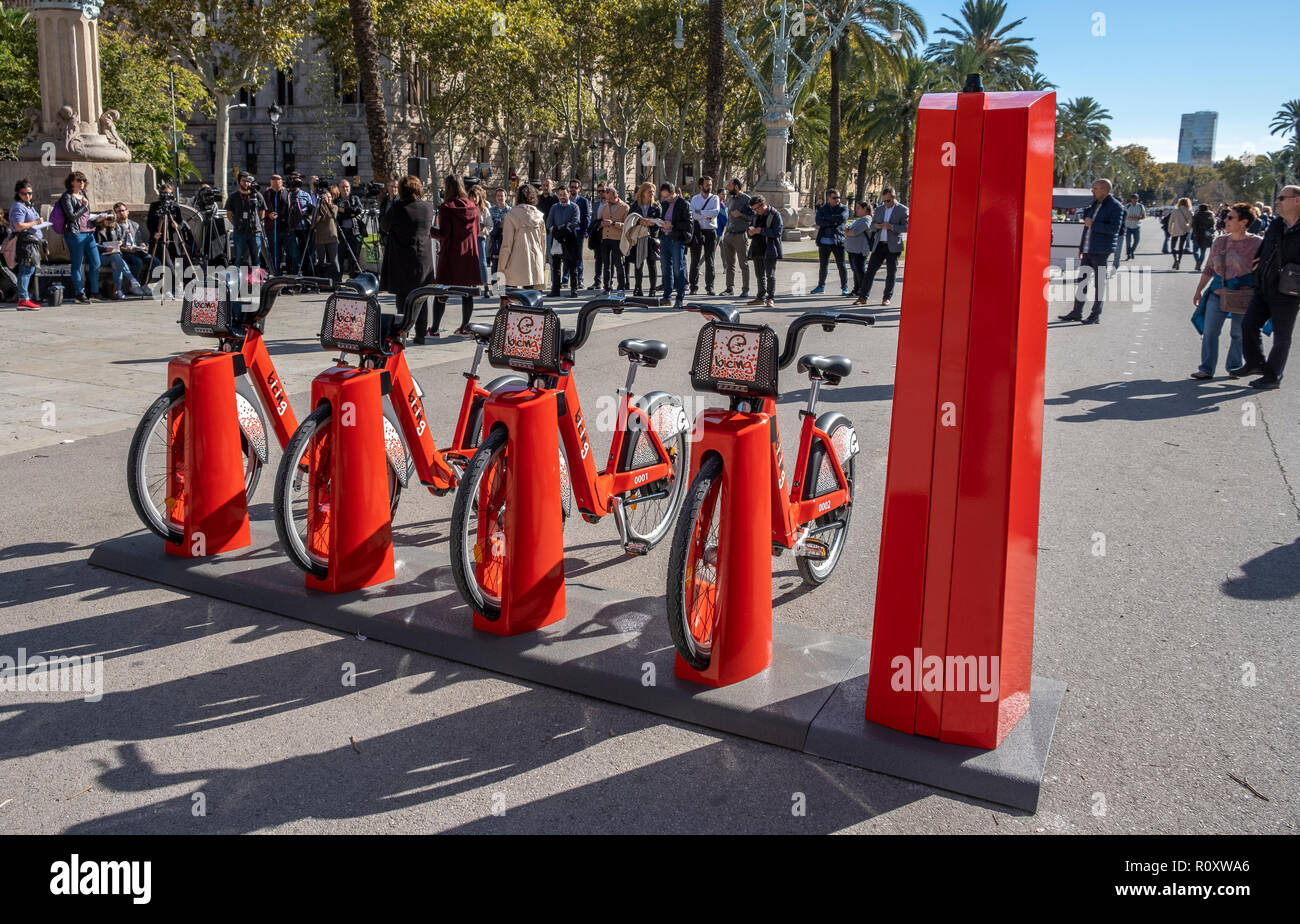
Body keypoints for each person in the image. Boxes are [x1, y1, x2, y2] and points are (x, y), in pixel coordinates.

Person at [1236, 185, 1300, 390]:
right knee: (1248, 324)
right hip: (1264, 285)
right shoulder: (1276, 223)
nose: (1277, 202)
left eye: (1282, 198)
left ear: (1297, 200)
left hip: (1289, 291)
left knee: (1282, 336)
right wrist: (1258, 265)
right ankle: (1255, 364)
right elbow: (1265, 248)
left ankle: (1273, 376)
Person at [1191, 203, 1262, 380]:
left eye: (1230, 217)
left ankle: (1235, 366)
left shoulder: (1257, 243)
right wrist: (1199, 290)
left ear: (1244, 222)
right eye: (1226, 217)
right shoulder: (1220, 241)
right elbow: (1209, 268)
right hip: (1217, 293)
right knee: (1210, 332)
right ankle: (1206, 368)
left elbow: (1262, 271)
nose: (1225, 220)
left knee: (1238, 333)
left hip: (1243, 297)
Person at [379, 175, 436, 344]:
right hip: (423, 258)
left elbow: (384, 226)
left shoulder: (398, 207)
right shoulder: (428, 207)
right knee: (422, 298)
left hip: (402, 258)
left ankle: (402, 334)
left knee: (403, 298)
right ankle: (420, 334)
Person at [1057, 178, 1123, 324]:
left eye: (1095, 188)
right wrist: (1081, 247)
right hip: (1088, 249)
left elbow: (1114, 230)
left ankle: (1095, 315)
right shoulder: (1095, 204)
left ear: (1105, 190)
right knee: (1082, 282)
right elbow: (1087, 228)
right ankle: (1076, 312)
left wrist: (1094, 224)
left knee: (1099, 284)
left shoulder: (1115, 207)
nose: (1092, 190)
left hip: (1101, 251)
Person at [429, 174, 481, 337]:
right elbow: (477, 230)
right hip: (469, 255)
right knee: (467, 292)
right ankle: (465, 327)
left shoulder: (446, 208)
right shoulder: (473, 206)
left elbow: (443, 233)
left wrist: (429, 230)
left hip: (451, 254)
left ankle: (435, 328)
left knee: (442, 292)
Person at [59, 171, 106, 303]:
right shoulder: (66, 196)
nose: (82, 183)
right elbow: (72, 216)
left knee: (96, 262)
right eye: (79, 180)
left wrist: (97, 219)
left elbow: (86, 216)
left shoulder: (83, 194)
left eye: (84, 180)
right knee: (77, 264)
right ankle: (79, 294)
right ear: (71, 182)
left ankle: (94, 292)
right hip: (75, 234)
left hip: (89, 232)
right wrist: (84, 206)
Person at [860, 186, 909, 307]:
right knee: (870, 271)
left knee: (891, 273)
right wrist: (877, 226)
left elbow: (907, 227)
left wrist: (891, 226)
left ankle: (887, 297)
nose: (886, 203)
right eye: (884, 201)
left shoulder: (903, 210)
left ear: (894, 197)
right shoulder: (880, 209)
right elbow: (871, 225)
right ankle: (863, 296)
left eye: (888, 201)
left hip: (893, 247)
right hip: (879, 245)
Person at [497, 183, 546, 296]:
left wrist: (501, 267)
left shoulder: (511, 215)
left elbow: (507, 245)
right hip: (535, 261)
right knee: (533, 300)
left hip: (515, 262)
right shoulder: (539, 216)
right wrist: (542, 264)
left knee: (512, 299)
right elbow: (543, 244)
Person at [94, 207, 147, 298]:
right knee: (116, 257)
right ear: (103, 219)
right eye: (108, 220)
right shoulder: (97, 229)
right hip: (102, 256)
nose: (110, 223)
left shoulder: (114, 228)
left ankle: (118, 290)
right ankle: (132, 279)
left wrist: (119, 242)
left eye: (112, 221)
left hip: (113, 255)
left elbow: (119, 239)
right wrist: (104, 249)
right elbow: (94, 244)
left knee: (116, 263)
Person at [7, 180, 44, 310]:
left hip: (32, 241)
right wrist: (35, 222)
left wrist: (39, 222)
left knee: (30, 269)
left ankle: (24, 297)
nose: (27, 196)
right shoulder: (18, 206)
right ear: (18, 193)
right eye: (24, 194)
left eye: (29, 193)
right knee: (26, 270)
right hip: (25, 242)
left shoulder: (28, 205)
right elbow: (18, 226)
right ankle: (23, 299)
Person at [657, 182, 692, 308]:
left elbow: (689, 224)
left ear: (673, 193)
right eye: (664, 197)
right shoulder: (664, 204)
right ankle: (667, 296)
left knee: (678, 268)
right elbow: (661, 217)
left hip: (676, 239)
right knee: (666, 269)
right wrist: (658, 223)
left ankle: (680, 298)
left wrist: (672, 225)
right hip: (665, 239)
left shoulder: (684, 204)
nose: (666, 199)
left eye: (667, 196)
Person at [225, 172, 266, 279]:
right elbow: (229, 214)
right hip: (240, 232)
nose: (246, 183)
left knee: (256, 259)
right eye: (243, 180)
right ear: (239, 181)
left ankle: (255, 283)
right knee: (239, 258)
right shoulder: (233, 196)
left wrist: (256, 222)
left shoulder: (257, 195)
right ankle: (238, 282)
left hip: (255, 232)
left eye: (248, 181)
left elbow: (262, 212)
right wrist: (237, 223)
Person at [745, 195, 783, 307]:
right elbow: (750, 228)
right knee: (759, 275)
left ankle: (770, 298)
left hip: (770, 249)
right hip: (757, 248)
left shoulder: (775, 214)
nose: (756, 211)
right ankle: (760, 297)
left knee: (770, 275)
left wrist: (761, 231)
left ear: (763, 204)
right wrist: (750, 232)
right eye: (754, 209)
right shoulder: (756, 215)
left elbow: (777, 233)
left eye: (757, 208)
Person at [810, 188, 850, 295]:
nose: (837, 200)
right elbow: (818, 221)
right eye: (834, 198)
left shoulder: (844, 208)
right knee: (823, 265)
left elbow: (842, 218)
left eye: (838, 197)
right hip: (824, 242)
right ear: (828, 198)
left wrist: (826, 219)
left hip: (838, 241)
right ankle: (821, 286)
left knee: (841, 265)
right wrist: (834, 221)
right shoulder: (822, 208)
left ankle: (844, 288)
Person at [546, 184, 581, 299]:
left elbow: (573, 223)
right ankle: (555, 290)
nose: (562, 196)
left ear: (568, 194)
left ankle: (573, 290)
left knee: (572, 267)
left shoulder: (574, 207)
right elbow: (549, 224)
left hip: (570, 240)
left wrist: (558, 230)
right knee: (555, 267)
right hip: (556, 241)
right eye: (560, 194)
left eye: (564, 194)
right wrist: (558, 231)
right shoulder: (554, 207)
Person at [626, 181, 660, 297]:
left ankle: (652, 289)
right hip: (639, 238)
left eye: (653, 191)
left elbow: (660, 221)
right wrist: (640, 221)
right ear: (643, 192)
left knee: (652, 264)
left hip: (651, 238)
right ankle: (638, 288)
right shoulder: (635, 205)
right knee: (638, 264)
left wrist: (652, 223)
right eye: (649, 191)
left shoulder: (656, 206)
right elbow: (630, 219)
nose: (652, 193)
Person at [688, 175, 720, 295]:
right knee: (695, 260)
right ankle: (693, 286)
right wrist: (707, 214)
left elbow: (715, 212)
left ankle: (710, 287)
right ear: (701, 186)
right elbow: (693, 215)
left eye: (711, 185)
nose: (709, 187)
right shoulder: (695, 199)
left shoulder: (715, 198)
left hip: (710, 231)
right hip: (697, 231)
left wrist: (700, 212)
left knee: (709, 259)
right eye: (707, 185)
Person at [720, 177, 752, 297]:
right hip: (728, 235)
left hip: (740, 235)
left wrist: (741, 215)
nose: (727, 187)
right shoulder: (730, 199)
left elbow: (752, 216)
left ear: (736, 186)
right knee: (729, 264)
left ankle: (745, 289)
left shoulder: (746, 199)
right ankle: (729, 289)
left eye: (729, 185)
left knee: (743, 264)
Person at [593, 185, 629, 292]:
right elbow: (597, 222)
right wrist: (601, 224)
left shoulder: (625, 207)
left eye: (610, 199)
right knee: (606, 264)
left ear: (616, 196)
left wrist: (613, 223)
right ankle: (607, 286)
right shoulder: (604, 207)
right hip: (605, 239)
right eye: (607, 199)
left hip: (617, 239)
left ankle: (621, 287)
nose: (608, 201)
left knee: (618, 263)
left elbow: (627, 226)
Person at [261, 175, 292, 274]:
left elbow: (290, 209)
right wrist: (268, 215)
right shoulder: (267, 194)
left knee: (292, 254)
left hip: (286, 229)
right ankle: (276, 275)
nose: (276, 182)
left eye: (278, 179)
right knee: (275, 255)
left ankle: (291, 276)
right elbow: (261, 210)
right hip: (272, 230)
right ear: (270, 182)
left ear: (281, 181)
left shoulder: (287, 192)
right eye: (274, 180)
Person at [844, 199, 873, 306]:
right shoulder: (859, 219)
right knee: (855, 270)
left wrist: (847, 231)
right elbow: (848, 229)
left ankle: (863, 291)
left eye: (858, 208)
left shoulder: (867, 219)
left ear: (865, 209)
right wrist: (847, 230)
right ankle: (856, 290)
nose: (856, 210)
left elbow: (852, 232)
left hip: (860, 250)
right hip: (853, 250)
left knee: (860, 271)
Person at [311, 185, 340, 284]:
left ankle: (337, 281)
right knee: (321, 262)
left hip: (332, 238)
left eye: (330, 197)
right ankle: (321, 281)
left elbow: (331, 215)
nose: (328, 199)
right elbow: (312, 225)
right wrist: (317, 218)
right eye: (326, 197)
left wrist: (327, 204)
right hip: (320, 238)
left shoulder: (334, 207)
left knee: (334, 260)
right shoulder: (317, 208)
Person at [565, 179, 590, 291]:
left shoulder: (583, 201)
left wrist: (585, 231)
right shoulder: (566, 200)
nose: (573, 189)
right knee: (566, 257)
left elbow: (587, 218)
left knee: (578, 258)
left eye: (575, 187)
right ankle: (565, 280)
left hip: (579, 233)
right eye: (572, 187)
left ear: (579, 189)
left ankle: (579, 280)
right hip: (567, 233)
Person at [335, 179, 364, 275]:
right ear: (339, 188)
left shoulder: (355, 198)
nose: (345, 189)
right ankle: (338, 278)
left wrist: (343, 210)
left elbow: (358, 210)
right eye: (343, 187)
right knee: (340, 256)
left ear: (350, 188)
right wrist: (350, 213)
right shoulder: (336, 201)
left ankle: (354, 278)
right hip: (341, 232)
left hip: (354, 232)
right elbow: (337, 216)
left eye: (347, 187)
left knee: (354, 256)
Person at [471, 183, 493, 297]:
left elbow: (490, 225)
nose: (474, 199)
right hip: (469, 239)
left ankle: (486, 286)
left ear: (479, 197)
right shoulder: (467, 209)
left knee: (483, 263)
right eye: (472, 197)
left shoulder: (484, 210)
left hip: (480, 238)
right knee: (471, 261)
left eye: (476, 196)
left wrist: (483, 231)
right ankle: (472, 284)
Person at [585, 182, 607, 289]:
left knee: (608, 260)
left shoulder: (611, 204)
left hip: (608, 234)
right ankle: (597, 281)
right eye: (599, 191)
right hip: (597, 234)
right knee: (598, 258)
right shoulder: (596, 204)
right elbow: (593, 218)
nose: (601, 193)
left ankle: (609, 282)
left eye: (603, 191)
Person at [488, 186, 510, 278]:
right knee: (495, 264)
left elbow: (509, 225)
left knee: (506, 264)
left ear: (506, 197)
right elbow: (490, 225)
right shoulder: (491, 210)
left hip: (506, 240)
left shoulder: (510, 210)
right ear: (496, 197)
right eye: (498, 196)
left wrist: (497, 223)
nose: (500, 198)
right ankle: (495, 286)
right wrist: (500, 224)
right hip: (495, 241)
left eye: (502, 196)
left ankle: (505, 287)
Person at [1167, 197, 1193, 270]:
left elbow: (1170, 221)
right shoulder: (1189, 211)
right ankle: (1179, 261)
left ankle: (1175, 259)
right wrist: (1188, 230)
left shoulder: (1175, 211)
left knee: (1173, 247)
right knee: (1181, 247)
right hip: (1184, 230)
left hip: (1175, 230)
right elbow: (1191, 222)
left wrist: (1170, 230)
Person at [1191, 202, 1216, 272]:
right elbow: (1213, 224)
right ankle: (1200, 263)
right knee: (1203, 251)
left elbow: (1193, 225)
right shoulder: (1210, 215)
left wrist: (1194, 234)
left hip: (1197, 234)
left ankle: (1198, 262)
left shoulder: (1196, 215)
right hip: (1206, 235)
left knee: (1195, 251)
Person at [1122, 194, 1145, 260]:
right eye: (1133, 198)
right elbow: (1123, 215)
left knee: (1137, 241)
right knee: (1128, 242)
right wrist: (1129, 218)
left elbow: (1144, 216)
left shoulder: (1140, 206)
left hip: (1137, 226)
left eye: (1136, 198)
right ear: (1131, 199)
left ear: (1138, 199)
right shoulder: (1127, 206)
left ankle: (1132, 251)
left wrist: (1138, 218)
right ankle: (1128, 255)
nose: (1134, 199)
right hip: (1128, 226)